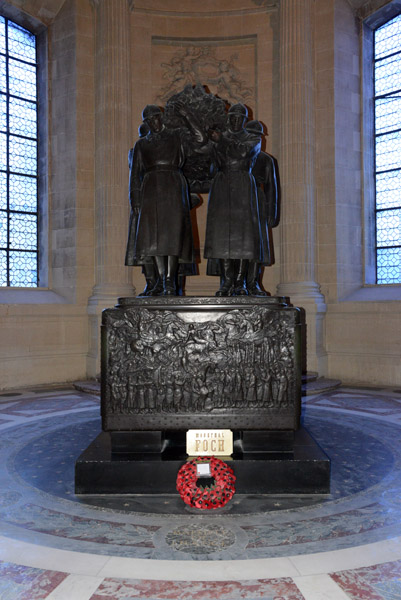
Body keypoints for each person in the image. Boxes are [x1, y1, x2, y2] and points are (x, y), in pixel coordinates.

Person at [126, 103, 205, 296]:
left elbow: (200, 138)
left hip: (173, 185)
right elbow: (135, 174)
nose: (153, 122)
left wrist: (187, 115)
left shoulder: (175, 135)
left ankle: (169, 282)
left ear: (161, 117)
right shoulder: (142, 144)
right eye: (149, 120)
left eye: (155, 117)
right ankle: (160, 281)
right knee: (154, 238)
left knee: (172, 236)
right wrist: (135, 200)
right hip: (151, 187)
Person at [204, 103, 262, 296]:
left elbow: (243, 152)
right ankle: (226, 282)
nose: (236, 120)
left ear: (245, 120)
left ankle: (240, 283)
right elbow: (210, 163)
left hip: (242, 185)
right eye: (233, 117)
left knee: (244, 237)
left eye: (240, 118)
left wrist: (221, 141)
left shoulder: (252, 138)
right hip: (222, 185)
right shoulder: (220, 138)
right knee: (221, 236)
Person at [244, 120, 279, 295]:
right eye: (251, 135)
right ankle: (237, 284)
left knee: (256, 248)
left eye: (258, 136)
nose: (256, 139)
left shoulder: (266, 160)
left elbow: (272, 188)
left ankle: (253, 283)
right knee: (239, 245)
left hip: (258, 203)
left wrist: (272, 213)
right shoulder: (238, 157)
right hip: (239, 203)